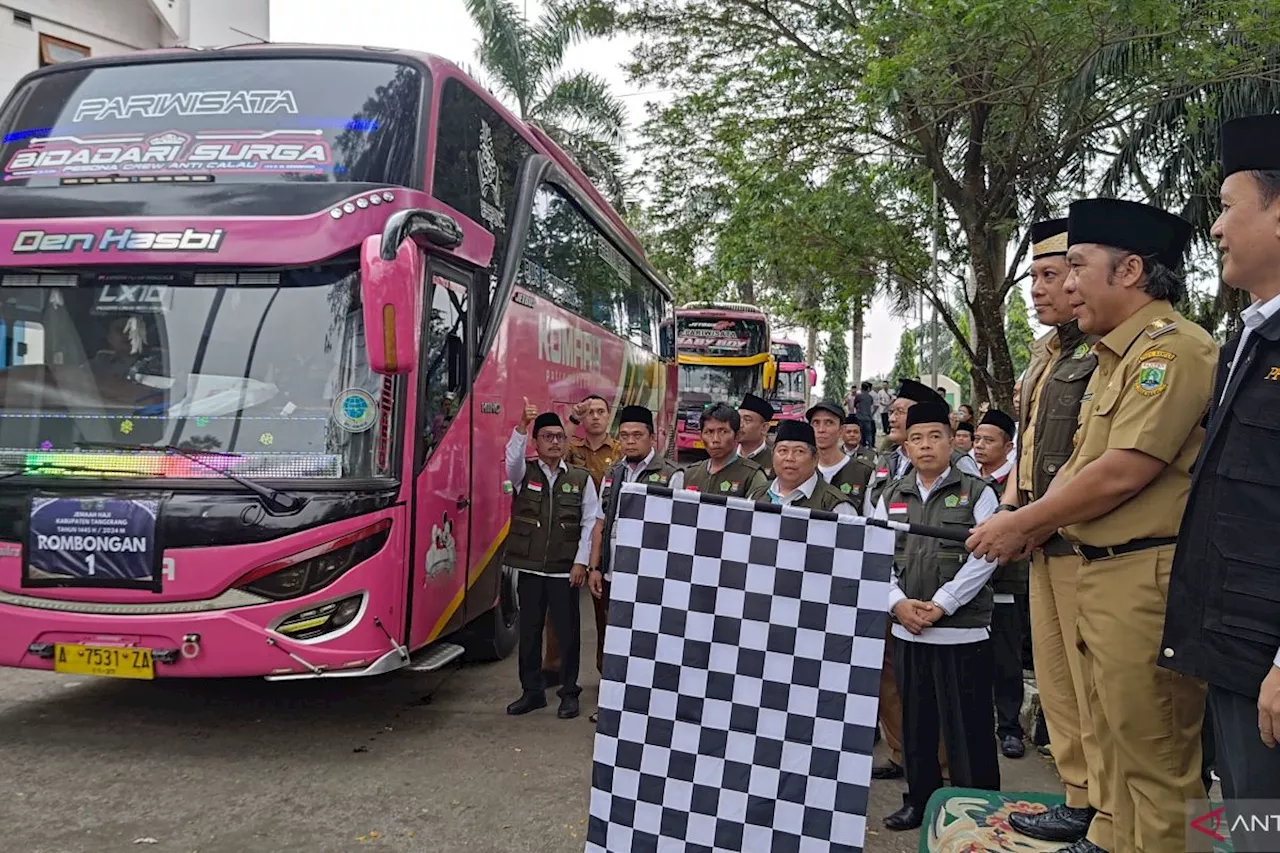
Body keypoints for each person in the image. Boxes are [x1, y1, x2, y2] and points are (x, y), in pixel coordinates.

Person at [968, 198, 1215, 853]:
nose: (1066, 283)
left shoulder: (1174, 350)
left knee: (1160, 770)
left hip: (1144, 577)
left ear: (1130, 269)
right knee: (1120, 753)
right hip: (1103, 572)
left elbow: (1122, 470)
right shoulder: (1112, 357)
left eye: (1076, 267)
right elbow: (1079, 465)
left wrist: (1021, 523)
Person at [1159, 114, 1280, 830]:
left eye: (1230, 207)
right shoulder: (1251, 333)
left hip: (1269, 657)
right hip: (1237, 645)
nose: (1215, 229)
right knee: (1249, 822)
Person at [1003, 219, 1109, 850]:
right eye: (1037, 277)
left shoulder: (1110, 350)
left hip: (1084, 543)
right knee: (1056, 678)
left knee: (1096, 685)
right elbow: (1031, 446)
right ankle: (1077, 797)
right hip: (1041, 538)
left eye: (1053, 275)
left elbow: (1095, 456)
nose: (1041, 290)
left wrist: (1032, 518)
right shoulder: (1046, 353)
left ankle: (1108, 810)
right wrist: (1017, 505)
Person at [877, 397, 1001, 831]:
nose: (925, 446)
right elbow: (874, 558)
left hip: (962, 633)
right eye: (916, 438)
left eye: (935, 436)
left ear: (952, 442)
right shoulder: (890, 495)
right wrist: (897, 604)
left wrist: (943, 604)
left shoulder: (978, 493)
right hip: (909, 630)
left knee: (968, 728)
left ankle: (979, 809)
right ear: (905, 447)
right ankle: (921, 801)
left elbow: (986, 556)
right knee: (917, 724)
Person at [504, 399, 599, 720]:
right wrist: (520, 426)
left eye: (560, 436)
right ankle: (531, 693)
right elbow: (510, 462)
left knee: (568, 632)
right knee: (529, 634)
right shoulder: (523, 472)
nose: (555, 441)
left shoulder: (581, 478)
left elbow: (589, 522)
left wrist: (581, 562)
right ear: (537, 441)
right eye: (547, 436)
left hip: (564, 570)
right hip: (530, 568)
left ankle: (569, 693)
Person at [587, 405, 682, 723]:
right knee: (614, 641)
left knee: (650, 642)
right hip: (615, 573)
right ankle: (612, 704)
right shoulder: (613, 474)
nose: (630, 441)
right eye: (624, 435)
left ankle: (651, 708)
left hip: (652, 577)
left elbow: (680, 530)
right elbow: (600, 524)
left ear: (651, 437)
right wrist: (594, 567)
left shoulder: (671, 474)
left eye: (637, 435)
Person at [542, 394, 620, 687]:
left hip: (605, 536)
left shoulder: (620, 449)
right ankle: (554, 665)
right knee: (558, 605)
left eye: (601, 411)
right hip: (572, 534)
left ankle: (605, 667)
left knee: (605, 610)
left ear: (609, 416)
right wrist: (571, 421)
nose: (596, 417)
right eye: (589, 413)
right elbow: (553, 457)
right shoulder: (571, 448)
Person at [972, 408, 1027, 759]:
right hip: (970, 587)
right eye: (976, 439)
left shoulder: (1018, 483)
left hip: (1007, 582)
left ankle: (1009, 728)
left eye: (988, 440)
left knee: (1006, 660)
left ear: (1008, 447)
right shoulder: (966, 478)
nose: (979, 446)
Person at [765, 419, 856, 513]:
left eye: (799, 451)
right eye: (783, 451)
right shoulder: (758, 494)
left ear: (815, 458)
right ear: (773, 455)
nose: (789, 458)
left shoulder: (835, 505)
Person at [682, 404, 770, 499]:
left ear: (737, 435)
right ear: (700, 436)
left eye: (723, 432)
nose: (715, 439)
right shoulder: (691, 473)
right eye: (709, 432)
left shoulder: (752, 476)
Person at [807, 400, 875, 510]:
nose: (821, 430)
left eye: (829, 422)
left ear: (841, 430)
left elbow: (870, 518)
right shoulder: (803, 469)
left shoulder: (864, 471)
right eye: (816, 423)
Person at [737, 393, 775, 478]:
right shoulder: (726, 454)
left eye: (747, 420)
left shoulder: (776, 459)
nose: (740, 425)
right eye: (738, 419)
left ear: (764, 428)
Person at [854, 380, 878, 447]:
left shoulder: (858, 396)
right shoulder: (870, 397)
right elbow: (871, 405)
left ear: (861, 388)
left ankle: (861, 447)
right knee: (868, 434)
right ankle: (870, 447)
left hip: (859, 417)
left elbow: (855, 404)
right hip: (868, 417)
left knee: (860, 433)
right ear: (868, 389)